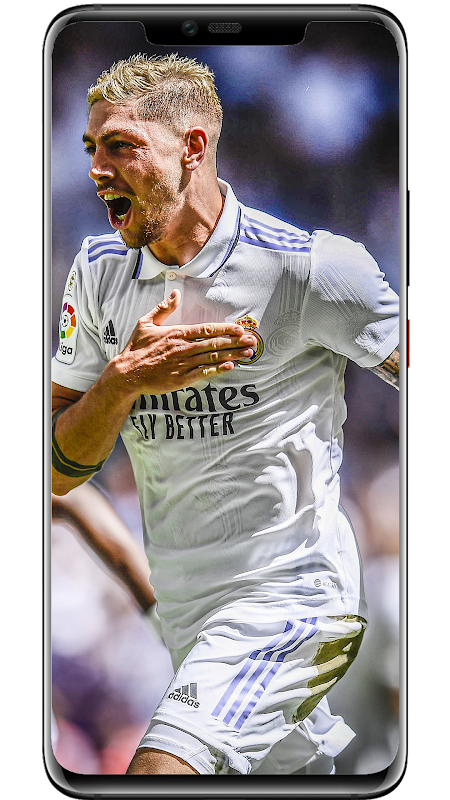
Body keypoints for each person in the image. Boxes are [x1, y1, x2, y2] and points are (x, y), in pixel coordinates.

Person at [51, 53, 400, 776]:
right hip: (189, 618)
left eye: (120, 146)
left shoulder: (311, 269)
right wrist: (120, 384)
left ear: (193, 147)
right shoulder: (97, 273)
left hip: (293, 603)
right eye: (90, 149)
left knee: (157, 773)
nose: (97, 169)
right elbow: (57, 474)